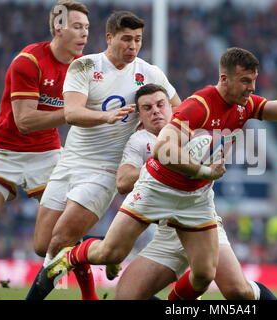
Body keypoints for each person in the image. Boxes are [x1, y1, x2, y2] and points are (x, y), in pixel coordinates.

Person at [46, 47, 277, 300]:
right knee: (111, 253)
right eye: (246, 81)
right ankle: (72, 256)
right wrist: (204, 170)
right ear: (225, 79)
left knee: (203, 275)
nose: (252, 87)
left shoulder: (244, 105)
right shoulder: (198, 105)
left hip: (195, 200)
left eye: (253, 80)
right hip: (157, 189)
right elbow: (163, 149)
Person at [26, 10, 181, 300]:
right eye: (126, 39)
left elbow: (178, 110)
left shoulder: (150, 73)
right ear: (109, 38)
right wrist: (106, 117)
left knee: (59, 242)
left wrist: (165, 139)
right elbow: (71, 112)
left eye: (137, 40)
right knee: (42, 243)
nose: (132, 46)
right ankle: (107, 248)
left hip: (106, 169)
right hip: (70, 161)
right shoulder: (85, 66)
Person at [114, 83, 277, 300]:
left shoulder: (194, 127)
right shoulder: (137, 142)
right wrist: (159, 163)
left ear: (172, 108)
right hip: (168, 230)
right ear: (140, 116)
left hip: (201, 223)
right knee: (125, 298)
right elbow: (123, 182)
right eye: (147, 108)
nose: (156, 111)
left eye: (161, 105)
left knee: (239, 292)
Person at [0, 0, 92, 300]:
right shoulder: (28, 62)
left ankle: (89, 294)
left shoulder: (83, 67)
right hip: (3, 150)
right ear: (58, 28)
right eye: (76, 27)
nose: (84, 34)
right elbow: (25, 121)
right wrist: (71, 112)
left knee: (62, 235)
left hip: (47, 155)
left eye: (86, 28)